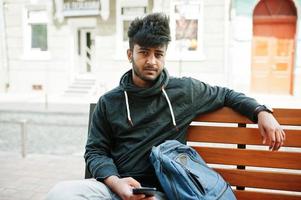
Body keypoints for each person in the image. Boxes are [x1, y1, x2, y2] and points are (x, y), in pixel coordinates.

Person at [46, 13, 285, 200]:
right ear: (130, 54)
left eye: (158, 54)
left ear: (165, 55)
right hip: (114, 187)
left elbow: (226, 95)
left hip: (162, 191)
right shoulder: (110, 102)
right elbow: (95, 151)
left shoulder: (184, 91)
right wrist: (115, 182)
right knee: (60, 193)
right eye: (144, 53)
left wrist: (261, 111)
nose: (151, 61)